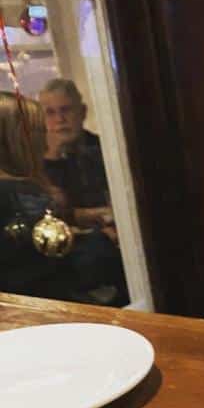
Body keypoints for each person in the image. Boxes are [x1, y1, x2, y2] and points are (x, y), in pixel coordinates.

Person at [0, 91, 127, 304]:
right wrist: (105, 239)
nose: (44, 141)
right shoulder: (19, 194)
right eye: (39, 132)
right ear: (18, 140)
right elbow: (53, 269)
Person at [39, 78, 112, 230]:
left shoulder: (107, 150)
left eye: (66, 110)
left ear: (83, 112)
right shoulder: (34, 160)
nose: (60, 120)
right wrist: (53, 156)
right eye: (50, 113)